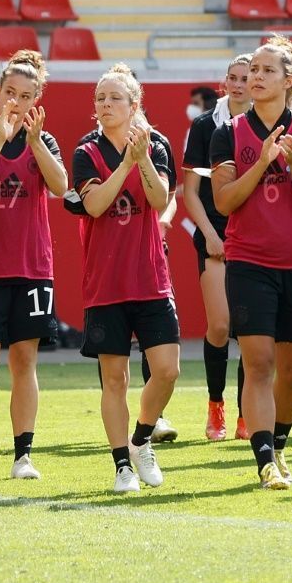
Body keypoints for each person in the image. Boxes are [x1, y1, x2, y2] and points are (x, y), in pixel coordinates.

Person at [210, 36, 292, 490]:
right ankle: (264, 459)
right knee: (258, 361)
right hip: (250, 261)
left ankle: (279, 444)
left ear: (290, 80)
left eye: (266, 71)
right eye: (253, 70)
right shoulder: (227, 133)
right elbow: (223, 202)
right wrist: (261, 163)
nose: (256, 78)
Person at [0, 51, 67, 481]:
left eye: (26, 96)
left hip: (33, 267)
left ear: (37, 98)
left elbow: (60, 187)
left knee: (25, 360)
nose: (17, 103)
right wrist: (3, 139)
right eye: (10, 93)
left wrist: (36, 141)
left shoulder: (46, 140)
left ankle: (23, 454)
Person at [73, 64, 181, 493]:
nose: (105, 105)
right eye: (100, 98)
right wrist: (125, 165)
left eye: (115, 98)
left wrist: (143, 162)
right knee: (114, 378)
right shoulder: (86, 152)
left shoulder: (155, 146)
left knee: (168, 370)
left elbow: (158, 201)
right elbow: (96, 205)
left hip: (151, 277)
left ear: (134, 105)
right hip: (106, 282)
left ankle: (141, 440)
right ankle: (122, 465)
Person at [183, 54, 253, 441]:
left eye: (247, 77)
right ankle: (216, 404)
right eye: (233, 77)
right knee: (221, 326)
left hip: (255, 237)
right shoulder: (205, 125)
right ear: (224, 83)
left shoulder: (267, 123)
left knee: (250, 329)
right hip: (214, 232)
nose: (240, 84)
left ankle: (247, 414)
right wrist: (209, 233)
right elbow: (190, 192)